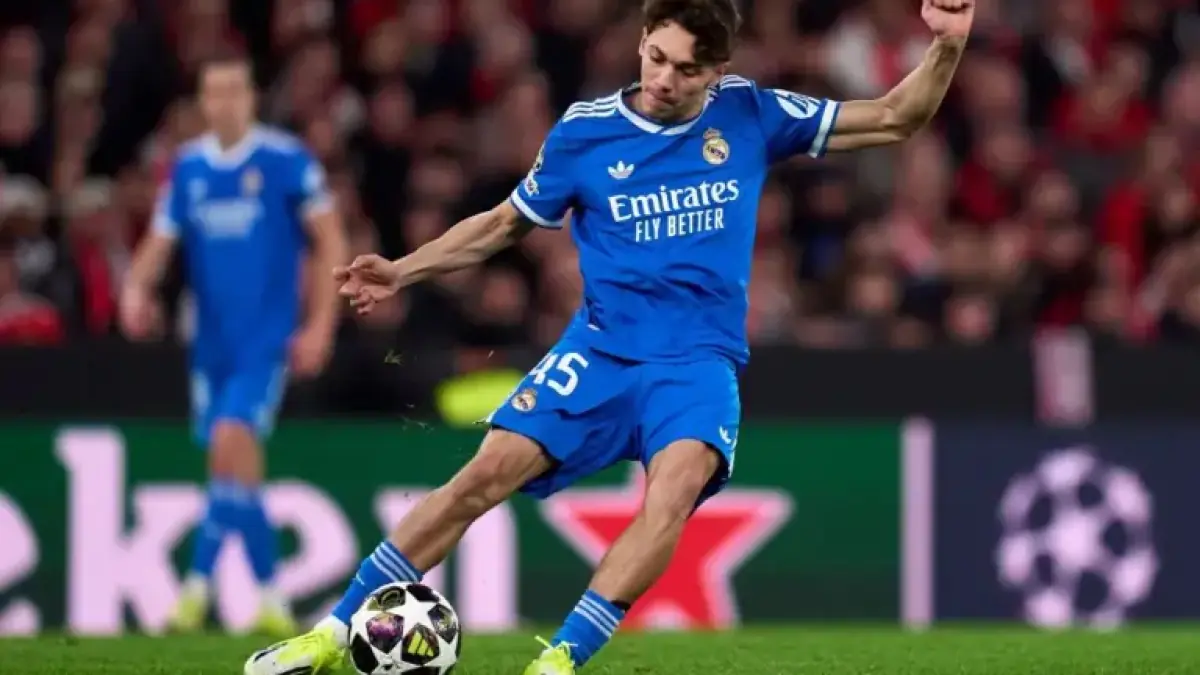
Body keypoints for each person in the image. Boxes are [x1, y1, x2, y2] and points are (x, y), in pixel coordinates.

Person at [245, 0, 973, 672]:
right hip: (597, 352)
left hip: (695, 365)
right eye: (656, 56)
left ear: (717, 72)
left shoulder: (751, 113)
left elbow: (896, 117)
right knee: (481, 477)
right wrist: (402, 271)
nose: (664, 79)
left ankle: (559, 661)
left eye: (686, 69)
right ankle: (331, 635)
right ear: (642, 41)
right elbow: (502, 225)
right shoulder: (585, 131)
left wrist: (945, 45)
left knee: (671, 496)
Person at [120, 53, 346, 638]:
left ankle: (195, 590)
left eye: (234, 91)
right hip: (210, 343)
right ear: (202, 102)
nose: (224, 103)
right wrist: (136, 288)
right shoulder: (188, 168)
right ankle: (270, 596)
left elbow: (330, 238)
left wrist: (321, 324)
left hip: (264, 340)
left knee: (228, 440)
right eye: (213, 92)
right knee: (235, 467)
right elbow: (160, 241)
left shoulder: (285, 160)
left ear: (251, 97)